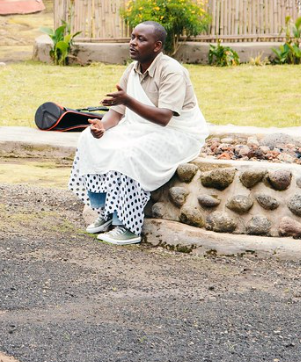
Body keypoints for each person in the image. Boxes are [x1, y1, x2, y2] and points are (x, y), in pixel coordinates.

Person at [68, 21, 209, 245]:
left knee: (129, 153)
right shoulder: (132, 69)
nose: (133, 43)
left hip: (178, 134)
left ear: (157, 46)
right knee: (89, 139)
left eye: (141, 39)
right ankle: (107, 212)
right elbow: (117, 111)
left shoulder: (171, 71)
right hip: (141, 128)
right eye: (132, 37)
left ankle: (128, 226)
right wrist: (101, 127)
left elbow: (164, 118)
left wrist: (128, 100)